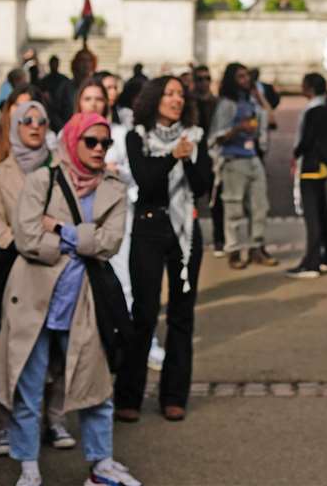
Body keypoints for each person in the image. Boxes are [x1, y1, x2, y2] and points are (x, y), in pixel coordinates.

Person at [0, 112, 137, 486]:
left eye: (105, 143)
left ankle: (101, 464)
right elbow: (27, 239)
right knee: (28, 384)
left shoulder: (114, 187)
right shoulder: (42, 180)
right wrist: (83, 239)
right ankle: (29, 465)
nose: (100, 149)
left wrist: (62, 230)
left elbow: (108, 243)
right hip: (34, 294)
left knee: (95, 385)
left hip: (85, 298)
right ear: (72, 141)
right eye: (91, 141)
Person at [115, 76, 211, 422]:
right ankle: (128, 395)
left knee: (182, 316)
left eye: (180, 95)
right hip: (150, 226)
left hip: (185, 230)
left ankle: (174, 395)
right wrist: (172, 156)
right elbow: (146, 180)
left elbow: (202, 185)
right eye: (169, 94)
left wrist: (188, 157)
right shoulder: (136, 136)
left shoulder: (195, 136)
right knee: (144, 312)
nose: (176, 100)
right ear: (155, 99)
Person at [0, 101, 71, 458]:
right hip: (16, 271)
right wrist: (22, 247)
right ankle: (6, 425)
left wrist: (52, 247)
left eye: (41, 121)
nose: (34, 126)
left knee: (58, 348)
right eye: (27, 120)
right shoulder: (2, 173)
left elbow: (68, 215)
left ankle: (55, 418)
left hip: (55, 267)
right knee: (10, 350)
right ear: (15, 125)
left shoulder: (61, 168)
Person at [211, 63, 274, 269]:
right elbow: (216, 137)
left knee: (260, 205)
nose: (246, 80)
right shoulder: (227, 104)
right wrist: (238, 128)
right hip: (233, 158)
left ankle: (257, 246)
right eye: (240, 77)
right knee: (234, 206)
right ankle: (234, 249)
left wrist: (258, 96)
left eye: (247, 76)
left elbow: (269, 118)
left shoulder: (250, 101)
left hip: (252, 156)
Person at [289, 73, 327, 278]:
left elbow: (306, 140)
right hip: (322, 167)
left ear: (309, 88)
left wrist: (296, 153)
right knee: (321, 211)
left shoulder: (313, 111)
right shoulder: (326, 108)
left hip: (311, 167)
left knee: (312, 216)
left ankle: (312, 262)